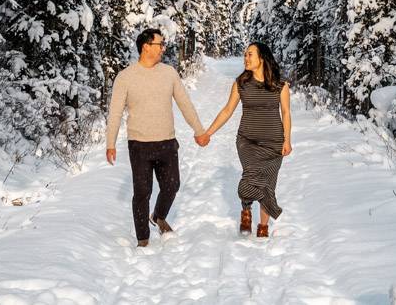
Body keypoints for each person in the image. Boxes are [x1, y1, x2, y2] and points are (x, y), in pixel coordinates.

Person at [105, 28, 209, 247]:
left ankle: (159, 216)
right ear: (146, 47)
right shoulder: (125, 77)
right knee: (142, 192)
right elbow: (114, 112)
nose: (163, 48)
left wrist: (199, 130)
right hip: (139, 145)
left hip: (166, 142)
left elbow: (185, 104)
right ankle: (143, 239)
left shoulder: (169, 73)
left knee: (172, 185)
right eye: (160, 44)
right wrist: (110, 143)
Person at [197, 41, 291, 238]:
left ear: (262, 58)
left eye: (250, 54)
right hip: (247, 141)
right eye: (245, 55)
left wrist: (287, 140)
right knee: (250, 177)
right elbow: (227, 110)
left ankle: (263, 227)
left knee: (268, 183)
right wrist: (208, 132)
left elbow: (286, 113)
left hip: (274, 144)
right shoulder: (241, 83)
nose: (245, 58)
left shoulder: (280, 86)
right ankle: (246, 209)